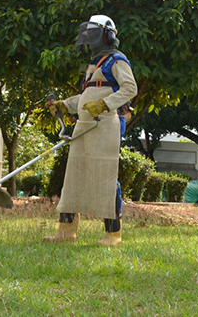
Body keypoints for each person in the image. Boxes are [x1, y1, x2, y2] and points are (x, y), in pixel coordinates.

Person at [45, 15, 137, 246]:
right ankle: (66, 232)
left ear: (108, 35)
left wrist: (105, 104)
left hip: (106, 123)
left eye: (94, 34)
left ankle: (113, 235)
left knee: (105, 176)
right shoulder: (93, 66)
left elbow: (130, 88)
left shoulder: (117, 60)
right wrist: (65, 105)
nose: (90, 39)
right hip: (85, 126)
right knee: (75, 175)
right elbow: (88, 98)